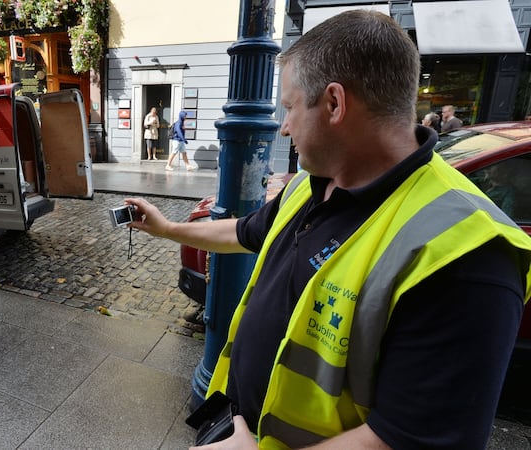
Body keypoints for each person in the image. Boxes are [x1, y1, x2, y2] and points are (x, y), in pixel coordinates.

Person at [126, 10, 531, 449]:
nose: (283, 126)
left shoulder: (469, 256)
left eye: (290, 107)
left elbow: (414, 440)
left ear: (335, 103)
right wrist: (166, 230)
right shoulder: (311, 183)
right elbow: (245, 232)